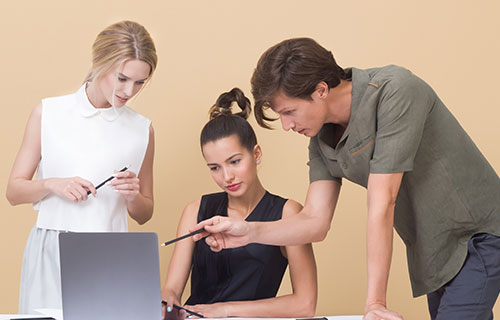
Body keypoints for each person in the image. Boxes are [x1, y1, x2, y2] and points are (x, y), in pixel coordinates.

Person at [192, 38, 500, 320]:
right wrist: (247, 231)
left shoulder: (395, 91)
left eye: (289, 112)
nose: (286, 125)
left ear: (321, 90)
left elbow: (383, 201)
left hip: (476, 235)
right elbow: (315, 221)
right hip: (434, 252)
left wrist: (374, 303)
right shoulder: (321, 137)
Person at [6, 20, 158, 313]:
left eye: (140, 82)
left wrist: (132, 195)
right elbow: (14, 192)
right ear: (101, 63)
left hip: (111, 255)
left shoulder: (143, 130)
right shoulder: (49, 113)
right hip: (52, 249)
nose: (130, 91)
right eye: (122, 78)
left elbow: (144, 213)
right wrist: (53, 184)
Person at [162, 88, 317, 319]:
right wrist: (167, 303)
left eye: (234, 161)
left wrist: (224, 310)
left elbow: (304, 304)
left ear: (256, 154)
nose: (227, 177)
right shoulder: (195, 211)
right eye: (215, 168)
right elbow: (172, 289)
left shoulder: (288, 214)